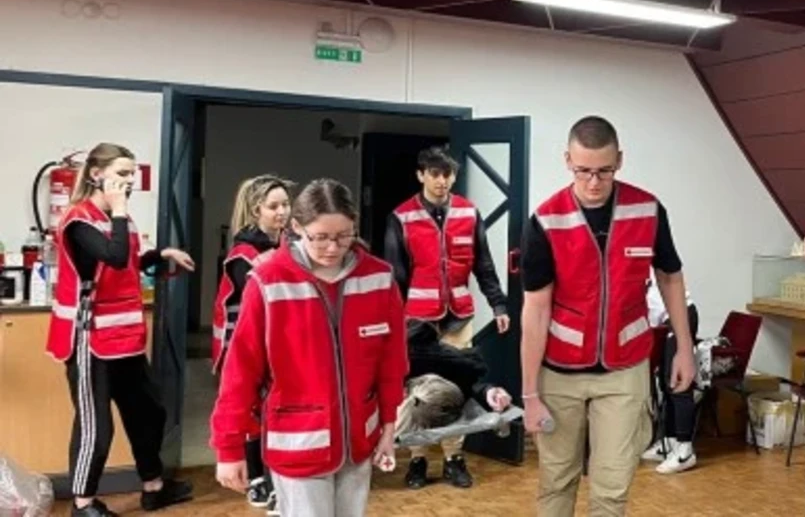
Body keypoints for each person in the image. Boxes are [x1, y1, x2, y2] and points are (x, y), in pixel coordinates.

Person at [520, 115, 696, 517]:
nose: (594, 182)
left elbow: (670, 277)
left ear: (620, 160)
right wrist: (529, 394)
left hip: (625, 371)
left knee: (612, 489)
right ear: (567, 160)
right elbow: (536, 310)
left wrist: (684, 349)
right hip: (559, 371)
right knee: (556, 481)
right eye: (583, 171)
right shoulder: (546, 221)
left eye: (604, 171)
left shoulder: (648, 210)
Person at [212, 179, 408, 517]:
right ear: (296, 228)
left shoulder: (379, 278)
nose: (332, 247)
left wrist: (389, 424)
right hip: (297, 443)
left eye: (343, 236)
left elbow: (392, 362)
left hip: (359, 442)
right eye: (320, 237)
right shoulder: (268, 281)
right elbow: (240, 371)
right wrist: (229, 447)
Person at [45, 142, 196, 517]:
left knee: (149, 412)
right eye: (123, 173)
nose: (130, 181)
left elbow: (126, 260)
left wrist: (159, 255)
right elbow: (112, 257)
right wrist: (120, 209)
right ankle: (82, 504)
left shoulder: (117, 219)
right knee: (97, 427)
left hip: (124, 340)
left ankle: (154, 487)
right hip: (90, 339)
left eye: (132, 173)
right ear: (97, 174)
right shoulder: (80, 220)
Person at [382, 145, 510, 490]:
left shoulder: (469, 212)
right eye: (435, 174)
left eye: (448, 174)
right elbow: (395, 277)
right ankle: (418, 460)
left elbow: (484, 264)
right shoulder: (401, 217)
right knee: (421, 390)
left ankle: (454, 459)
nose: (442, 181)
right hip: (416, 321)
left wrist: (498, 305)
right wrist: (393, 325)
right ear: (421, 175)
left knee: (459, 386)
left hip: (458, 317)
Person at [211, 174, 293, 514]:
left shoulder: (287, 242)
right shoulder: (243, 253)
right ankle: (257, 478)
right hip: (243, 345)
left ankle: (275, 477)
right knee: (251, 412)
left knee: (274, 410)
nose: (282, 212)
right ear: (256, 209)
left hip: (278, 341)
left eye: (286, 204)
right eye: (274, 206)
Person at [640, 279, 700, 474]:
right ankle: (670, 441)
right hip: (663, 321)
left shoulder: (647, 263)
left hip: (680, 315)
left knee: (677, 381)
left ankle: (685, 450)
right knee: (665, 383)